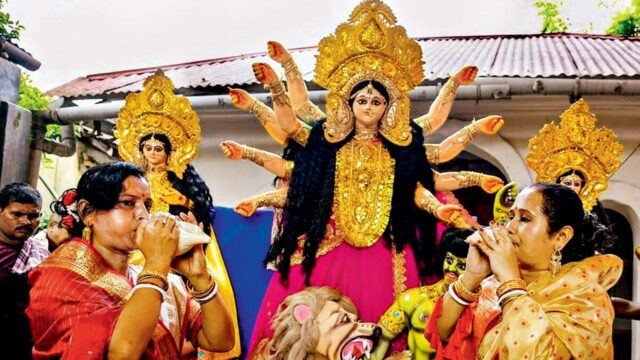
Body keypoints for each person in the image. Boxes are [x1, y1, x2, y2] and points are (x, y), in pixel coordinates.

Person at [239, 1, 505, 355]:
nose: (368, 106)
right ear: (347, 103)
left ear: (388, 107)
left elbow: (433, 167)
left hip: (392, 249)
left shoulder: (402, 148)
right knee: (307, 336)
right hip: (328, 245)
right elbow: (293, 126)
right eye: (361, 99)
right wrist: (280, 75)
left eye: (376, 101)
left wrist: (460, 103)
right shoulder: (327, 145)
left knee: (397, 331)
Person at [27, 162, 235, 359]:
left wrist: (199, 277)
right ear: (87, 212)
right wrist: (156, 263)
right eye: (128, 203)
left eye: (147, 205)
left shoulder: (162, 281)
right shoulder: (58, 277)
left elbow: (220, 341)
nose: (144, 215)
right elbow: (122, 353)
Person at [115, 70, 241, 358]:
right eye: (147, 148)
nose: (152, 153)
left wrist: (184, 200)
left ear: (169, 153)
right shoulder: (132, 181)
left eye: (158, 148)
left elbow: (200, 213)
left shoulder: (181, 183)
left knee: (208, 284)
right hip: (138, 246)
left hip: (176, 246)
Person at [426, 184, 622, 359]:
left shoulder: (585, 297)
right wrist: (472, 276)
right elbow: (440, 333)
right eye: (512, 217)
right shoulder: (492, 284)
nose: (509, 227)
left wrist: (510, 282)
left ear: (561, 236)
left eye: (525, 219)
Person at [375, 229, 472, 360]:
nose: (452, 268)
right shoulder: (414, 299)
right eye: (449, 261)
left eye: (461, 265)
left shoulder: (483, 309)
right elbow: (380, 338)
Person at [0, 182, 47, 360]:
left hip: (25, 342)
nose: (26, 222)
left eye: (33, 215)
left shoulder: (41, 252)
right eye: (17, 214)